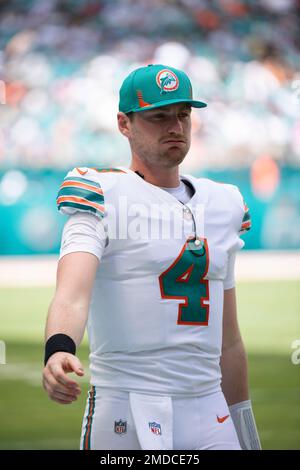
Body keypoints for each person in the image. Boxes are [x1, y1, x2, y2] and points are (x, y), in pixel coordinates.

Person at [42, 64, 261, 450]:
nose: (175, 127)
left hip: (210, 407)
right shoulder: (101, 191)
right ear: (124, 125)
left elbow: (229, 340)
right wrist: (59, 347)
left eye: (182, 115)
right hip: (127, 404)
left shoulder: (224, 203)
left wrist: (242, 419)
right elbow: (72, 293)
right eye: (159, 116)